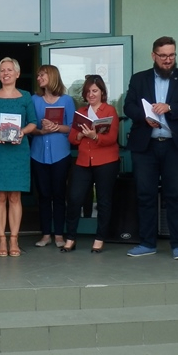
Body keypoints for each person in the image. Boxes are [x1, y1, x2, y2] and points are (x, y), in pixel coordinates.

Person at [123, 36, 178, 260]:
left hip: (175, 146)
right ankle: (147, 243)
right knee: (145, 194)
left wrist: (170, 107)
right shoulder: (139, 79)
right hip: (145, 147)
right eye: (163, 56)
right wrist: (144, 117)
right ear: (153, 55)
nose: (168, 60)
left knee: (175, 195)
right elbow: (128, 106)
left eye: (171, 55)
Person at [0, 58, 38, 258]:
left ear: (17, 74)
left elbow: (33, 122)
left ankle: (13, 238)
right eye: (2, 70)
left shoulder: (25, 96)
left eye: (9, 70)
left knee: (15, 196)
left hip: (18, 151)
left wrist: (22, 132)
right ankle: (1, 239)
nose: (5, 73)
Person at [61, 74, 119, 253]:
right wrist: (80, 135)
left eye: (95, 91)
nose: (91, 94)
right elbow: (72, 137)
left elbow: (112, 138)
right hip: (83, 161)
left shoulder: (109, 111)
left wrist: (95, 136)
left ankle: (100, 238)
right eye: (88, 92)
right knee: (74, 198)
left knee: (103, 201)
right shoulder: (81, 112)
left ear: (102, 92)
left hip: (106, 161)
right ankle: (71, 238)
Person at [30, 65, 75, 248]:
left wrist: (56, 127)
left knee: (59, 195)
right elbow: (30, 127)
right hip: (38, 154)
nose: (39, 78)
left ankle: (59, 235)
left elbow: (72, 127)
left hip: (60, 154)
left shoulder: (67, 100)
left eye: (42, 75)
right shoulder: (34, 100)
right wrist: (41, 130)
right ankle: (45, 235)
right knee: (43, 196)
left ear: (53, 76)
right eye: (38, 75)